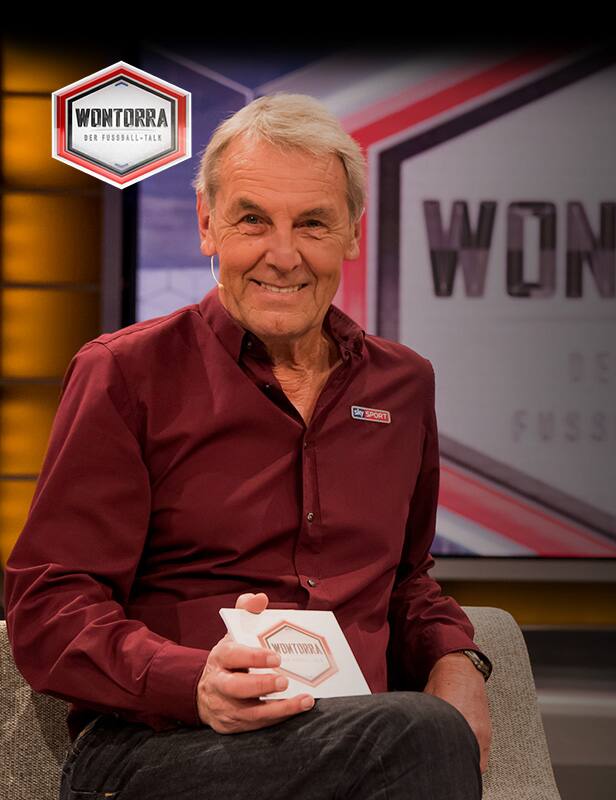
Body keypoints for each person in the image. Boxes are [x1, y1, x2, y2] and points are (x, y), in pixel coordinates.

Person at [2, 93, 492, 799]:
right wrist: (191, 681)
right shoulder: (126, 374)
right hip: (162, 746)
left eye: (313, 224)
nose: (283, 256)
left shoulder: (402, 385)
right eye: (253, 220)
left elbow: (407, 580)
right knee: (419, 735)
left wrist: (457, 658)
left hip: (359, 735)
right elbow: (51, 603)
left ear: (353, 234)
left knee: (414, 733)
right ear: (208, 224)